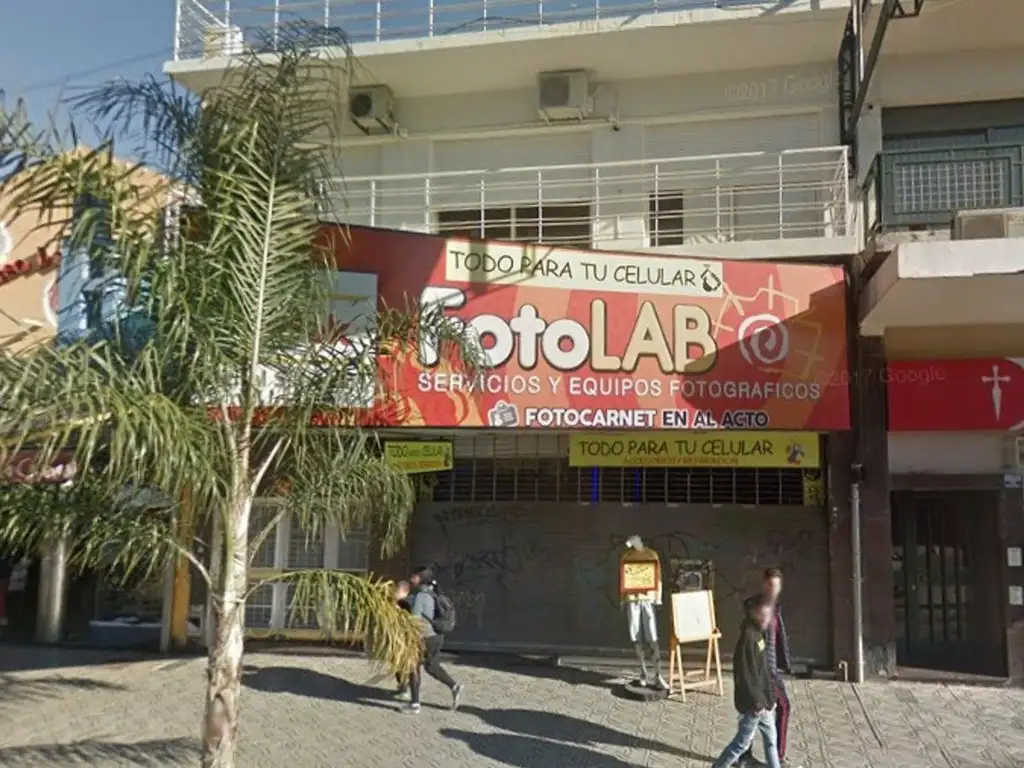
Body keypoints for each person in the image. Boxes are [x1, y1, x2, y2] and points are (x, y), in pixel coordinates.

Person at [710, 595, 781, 768]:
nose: (768, 618)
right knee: (741, 744)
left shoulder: (759, 634)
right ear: (754, 614)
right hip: (754, 705)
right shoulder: (748, 639)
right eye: (764, 614)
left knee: (771, 739)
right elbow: (747, 675)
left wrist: (771, 697)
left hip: (764, 703)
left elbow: (763, 671)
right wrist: (757, 702)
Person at [739, 567, 797, 768]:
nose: (774, 589)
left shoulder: (775, 607)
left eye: (777, 586)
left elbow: (778, 638)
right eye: (771, 585)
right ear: (764, 583)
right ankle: (773, 757)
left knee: (757, 712)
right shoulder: (756, 607)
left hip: (771, 668)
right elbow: (754, 641)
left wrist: (785, 662)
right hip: (764, 670)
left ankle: (745, 755)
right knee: (778, 707)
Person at [402, 566, 463, 714]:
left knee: (413, 666)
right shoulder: (432, 592)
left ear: (421, 578)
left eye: (414, 576)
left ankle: (414, 704)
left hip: (423, 636)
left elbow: (415, 619)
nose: (411, 578)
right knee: (431, 666)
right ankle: (454, 686)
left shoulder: (421, 595)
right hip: (436, 636)